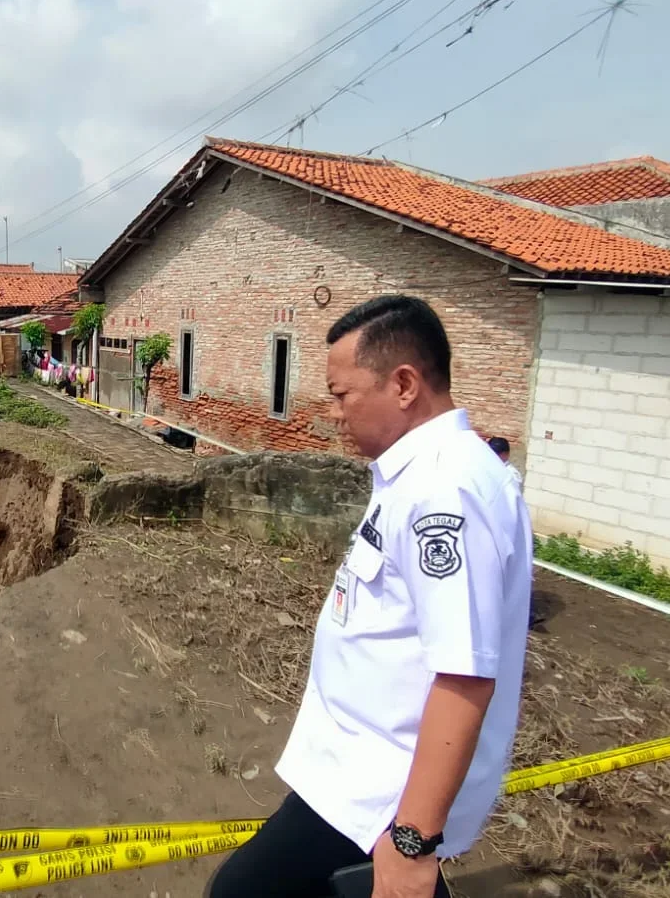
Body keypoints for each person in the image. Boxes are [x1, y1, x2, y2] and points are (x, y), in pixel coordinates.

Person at [206, 295, 532, 898]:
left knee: (240, 892)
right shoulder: (416, 473)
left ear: (404, 384)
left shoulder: (445, 491)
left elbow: (465, 675)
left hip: (382, 788)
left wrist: (412, 842)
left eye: (341, 394)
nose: (331, 413)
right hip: (354, 770)